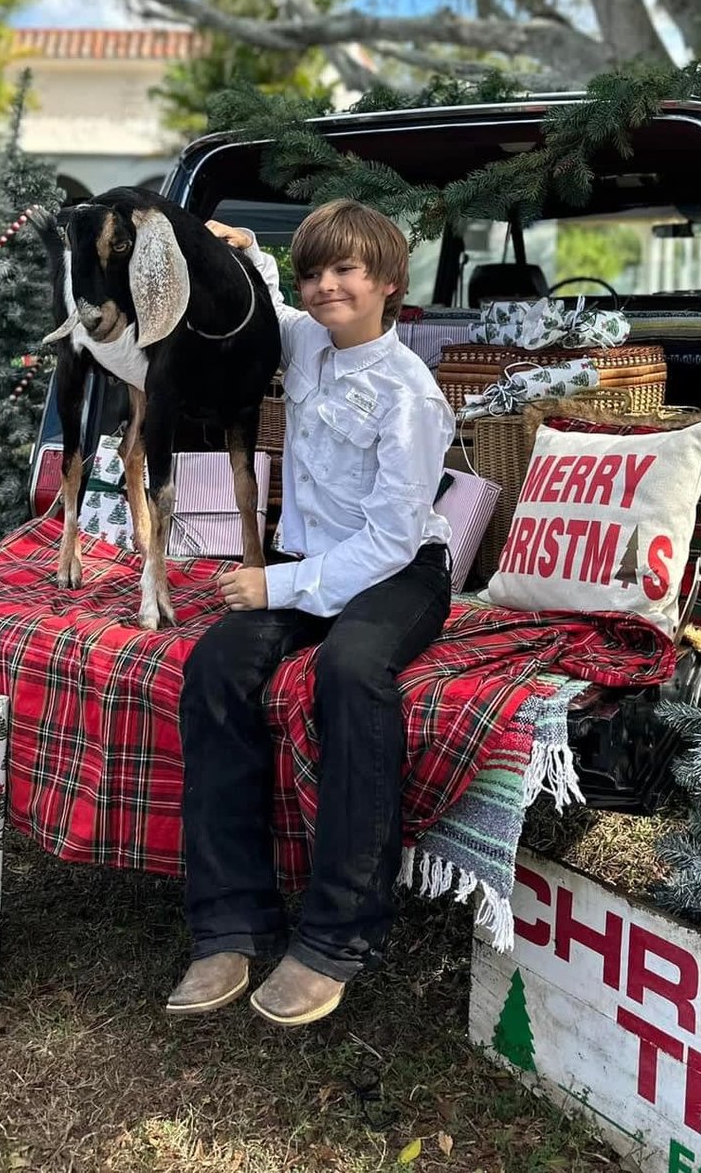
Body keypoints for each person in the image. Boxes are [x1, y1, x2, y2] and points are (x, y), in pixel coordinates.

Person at [169, 200, 456, 1028]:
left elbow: (392, 540)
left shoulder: (409, 393)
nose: (325, 285)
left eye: (346, 271)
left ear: (388, 286)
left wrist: (276, 588)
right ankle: (228, 922)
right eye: (314, 271)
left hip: (401, 570)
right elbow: (273, 301)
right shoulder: (305, 343)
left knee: (351, 668)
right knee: (217, 661)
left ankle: (338, 933)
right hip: (308, 563)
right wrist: (252, 252)